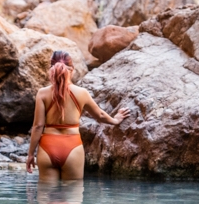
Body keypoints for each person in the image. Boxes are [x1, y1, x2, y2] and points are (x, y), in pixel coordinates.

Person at [25, 51, 129, 181]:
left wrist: (30, 155)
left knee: (47, 198)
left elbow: (38, 126)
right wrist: (116, 119)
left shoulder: (42, 93)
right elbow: (100, 115)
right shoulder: (82, 93)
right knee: (72, 196)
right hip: (72, 147)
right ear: (72, 70)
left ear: (51, 69)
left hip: (47, 147)